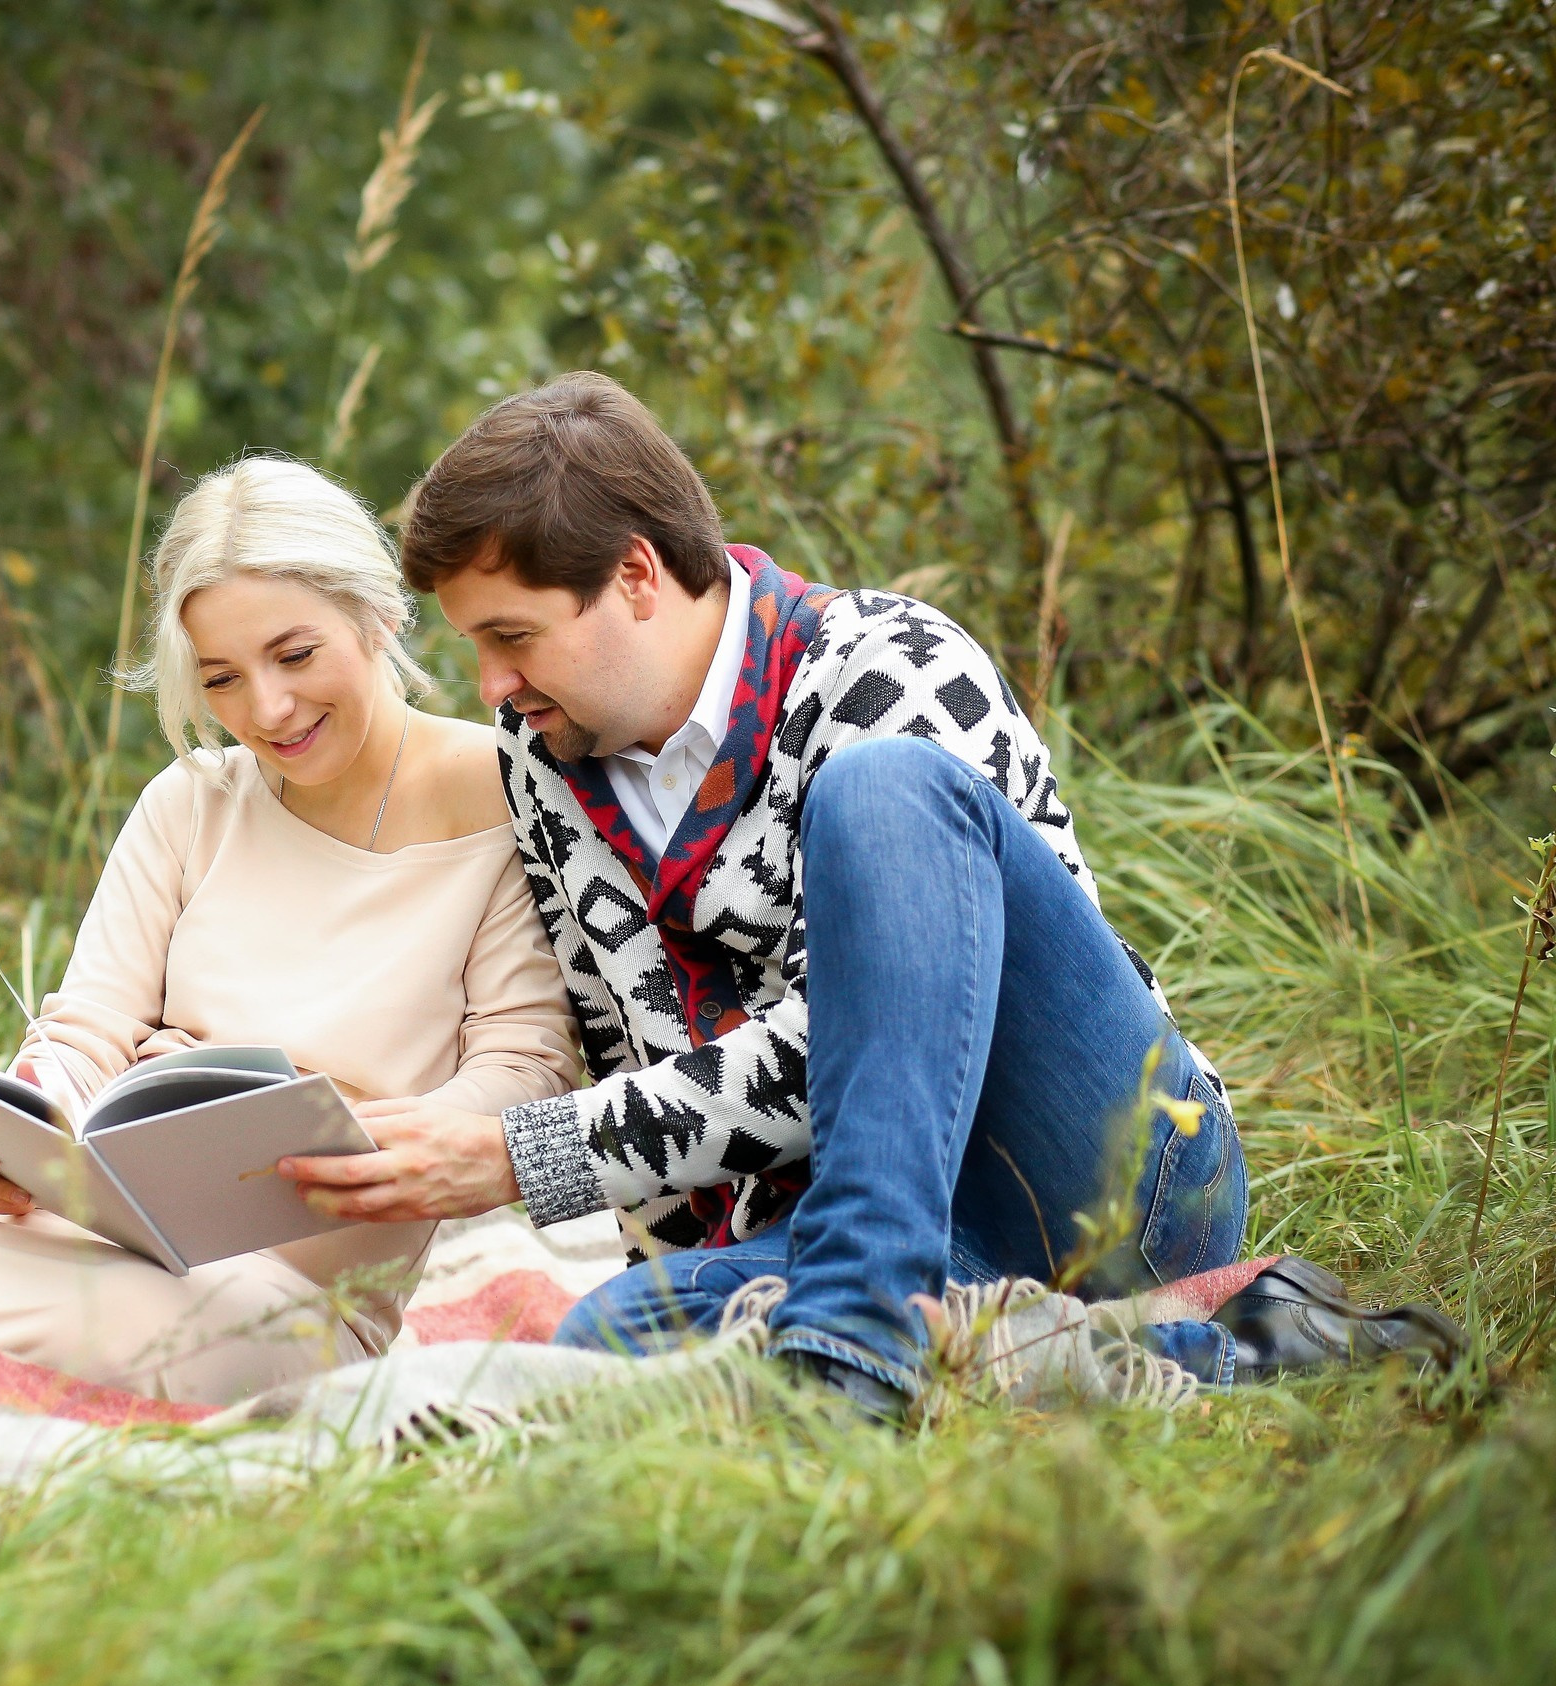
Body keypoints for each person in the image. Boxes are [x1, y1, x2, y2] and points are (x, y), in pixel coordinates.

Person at [278, 372, 1279, 1416]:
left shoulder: (888, 665)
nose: (490, 684)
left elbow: (879, 1037)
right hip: (863, 1228)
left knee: (883, 790)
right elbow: (624, 1047)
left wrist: (527, 1159)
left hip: (1102, 1169)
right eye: (475, 645)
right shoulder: (541, 758)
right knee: (606, 1343)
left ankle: (853, 1345)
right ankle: (1200, 1354)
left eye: (512, 636)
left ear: (633, 575)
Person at [0, 456, 580, 1405]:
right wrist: (23, 1127)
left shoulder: (510, 799)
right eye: (222, 678)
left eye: (296, 655)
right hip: (105, 1217)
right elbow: (84, 1031)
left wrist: (374, 1138)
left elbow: (526, 1067)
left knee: (6, 1319)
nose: (267, 709)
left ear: (380, 615)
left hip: (295, 1288)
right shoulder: (193, 801)